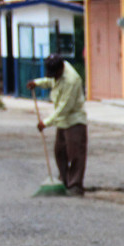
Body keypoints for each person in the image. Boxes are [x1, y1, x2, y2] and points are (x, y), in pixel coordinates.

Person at [27, 54, 88, 196]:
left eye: (55, 74)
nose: (54, 77)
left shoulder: (72, 80)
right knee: (59, 152)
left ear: (61, 69)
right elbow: (50, 81)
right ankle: (64, 181)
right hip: (62, 121)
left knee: (76, 154)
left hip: (74, 120)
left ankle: (75, 185)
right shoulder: (58, 72)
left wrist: (46, 122)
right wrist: (37, 83)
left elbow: (64, 108)